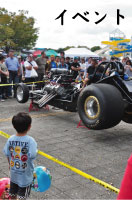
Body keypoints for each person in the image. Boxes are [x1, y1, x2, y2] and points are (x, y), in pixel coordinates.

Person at [3, 112, 37, 200]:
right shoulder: (31, 141)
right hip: (25, 176)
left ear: (14, 126)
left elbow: (7, 154)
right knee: (23, 197)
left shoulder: (10, 139)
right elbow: (33, 155)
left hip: (14, 174)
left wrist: (10, 165)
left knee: (12, 193)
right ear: (29, 126)